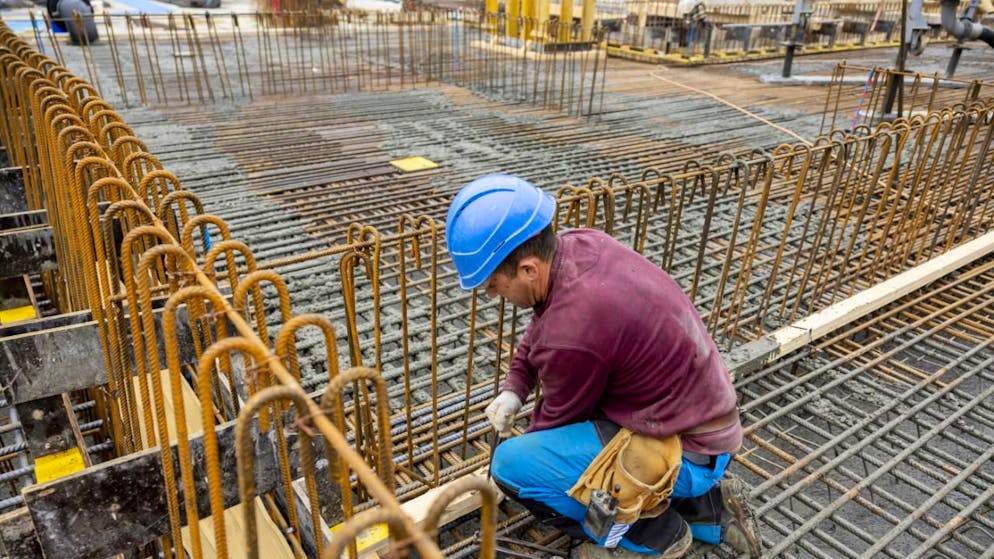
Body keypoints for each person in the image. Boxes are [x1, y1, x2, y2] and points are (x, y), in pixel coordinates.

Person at [445, 174, 762, 558]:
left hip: (683, 454)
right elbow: (542, 326)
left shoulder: (573, 329)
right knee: (563, 446)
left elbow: (555, 423)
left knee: (513, 467)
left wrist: (527, 461)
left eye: (493, 283)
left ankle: (650, 535)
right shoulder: (578, 246)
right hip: (709, 434)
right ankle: (710, 511)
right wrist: (515, 387)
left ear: (528, 269)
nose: (493, 294)